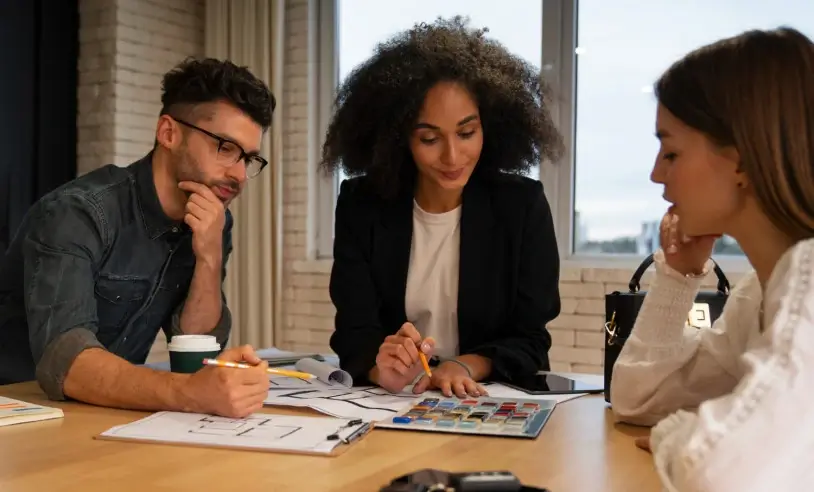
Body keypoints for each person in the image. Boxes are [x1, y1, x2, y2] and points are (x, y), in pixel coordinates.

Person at [0, 57, 275, 418]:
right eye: (225, 147)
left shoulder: (211, 222)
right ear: (169, 133)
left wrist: (208, 257)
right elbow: (66, 362)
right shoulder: (78, 213)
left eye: (248, 158)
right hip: (19, 414)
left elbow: (196, 350)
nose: (238, 175)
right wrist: (191, 392)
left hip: (99, 414)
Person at [609, 27, 814, 490]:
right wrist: (679, 276)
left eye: (672, 151)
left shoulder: (811, 278)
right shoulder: (756, 297)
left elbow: (717, 471)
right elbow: (636, 399)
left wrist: (677, 434)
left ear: (741, 161)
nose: (656, 173)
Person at [321, 17, 563, 399]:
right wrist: (380, 366)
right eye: (430, 138)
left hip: (483, 398)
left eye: (467, 133)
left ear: (490, 126)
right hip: (393, 402)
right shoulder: (361, 205)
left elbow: (531, 338)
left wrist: (464, 364)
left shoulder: (522, 207)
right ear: (398, 139)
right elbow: (354, 332)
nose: (453, 156)